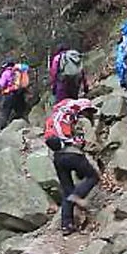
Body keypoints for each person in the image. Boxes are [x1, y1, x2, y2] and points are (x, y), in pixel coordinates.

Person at [44, 98, 100, 236]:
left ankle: (66, 225)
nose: (90, 115)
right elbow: (91, 143)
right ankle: (76, 196)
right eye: (89, 112)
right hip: (73, 154)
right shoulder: (82, 121)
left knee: (67, 190)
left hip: (58, 157)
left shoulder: (61, 117)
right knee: (92, 176)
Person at [0, 59, 30, 129]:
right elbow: (26, 67)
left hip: (8, 94)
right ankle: (22, 126)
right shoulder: (18, 72)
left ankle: (2, 127)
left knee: (5, 111)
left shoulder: (5, 73)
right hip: (18, 93)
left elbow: (2, 84)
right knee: (19, 111)